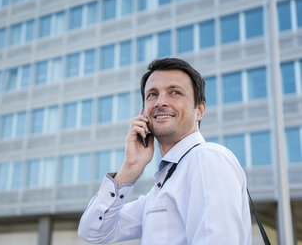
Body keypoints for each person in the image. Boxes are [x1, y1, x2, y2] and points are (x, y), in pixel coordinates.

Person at [78, 58, 251, 244]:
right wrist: (130, 168)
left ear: (199, 110)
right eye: (152, 94)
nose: (160, 102)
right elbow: (93, 232)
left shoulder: (206, 158)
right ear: (143, 113)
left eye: (174, 92)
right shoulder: (159, 190)